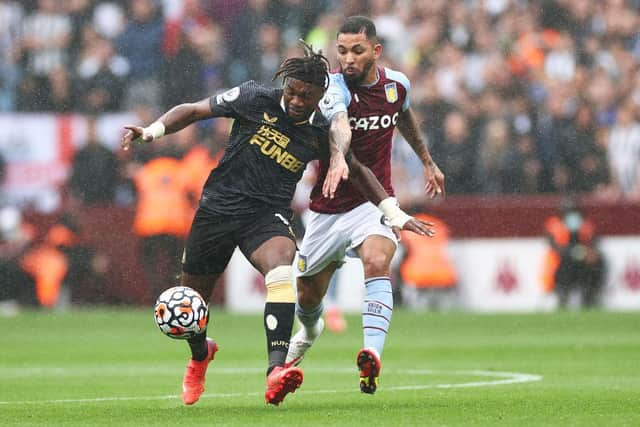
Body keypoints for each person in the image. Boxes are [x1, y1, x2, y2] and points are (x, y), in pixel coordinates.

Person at [121, 44, 432, 406]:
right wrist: (151, 131)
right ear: (284, 86)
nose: (297, 100)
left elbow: (358, 170)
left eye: (307, 96)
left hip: (266, 216)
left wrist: (393, 212)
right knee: (193, 301)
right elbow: (193, 110)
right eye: (292, 92)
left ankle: (275, 371)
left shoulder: (320, 130)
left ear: (320, 95)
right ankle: (199, 353)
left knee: (281, 267)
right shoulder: (255, 97)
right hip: (217, 209)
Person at [286, 16, 445, 395]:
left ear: (376, 51)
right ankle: (309, 332)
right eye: (341, 51)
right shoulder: (334, 88)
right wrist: (338, 156)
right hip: (326, 208)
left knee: (377, 261)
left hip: (374, 201)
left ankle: (371, 355)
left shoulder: (397, 85)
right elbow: (340, 122)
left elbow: (403, 115)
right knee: (307, 297)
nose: (348, 59)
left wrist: (426, 160)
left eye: (357, 51)